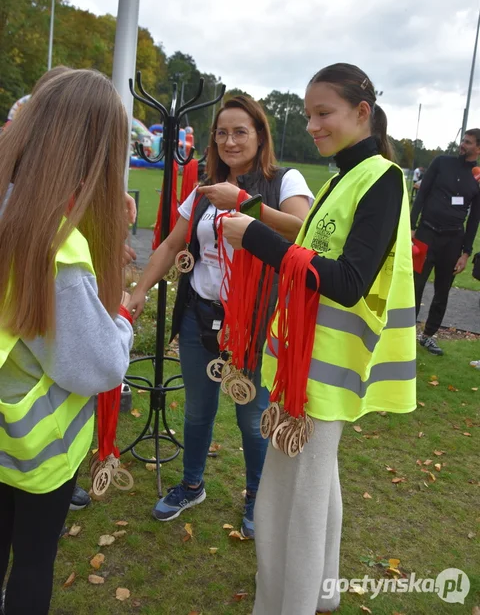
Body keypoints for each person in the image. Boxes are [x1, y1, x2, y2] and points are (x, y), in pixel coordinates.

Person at [222, 63, 416, 614]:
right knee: (315, 488)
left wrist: (256, 237)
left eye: (323, 113)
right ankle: (321, 593)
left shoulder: (382, 179)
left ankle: (289, 605)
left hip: (324, 373)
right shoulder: (337, 179)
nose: (312, 125)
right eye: (308, 114)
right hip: (303, 365)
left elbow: (348, 283)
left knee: (292, 504)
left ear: (362, 112)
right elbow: (313, 258)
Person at [128, 95, 313, 538]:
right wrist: (137, 292)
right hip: (200, 317)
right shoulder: (205, 188)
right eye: (222, 132)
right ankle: (192, 484)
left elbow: (303, 229)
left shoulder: (285, 180)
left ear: (260, 135)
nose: (230, 141)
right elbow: (173, 245)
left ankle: (257, 497)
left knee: (252, 416)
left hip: (255, 322)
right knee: (197, 412)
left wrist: (245, 201)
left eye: (240, 131)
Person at [0, 69, 134, 615]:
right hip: (33, 448)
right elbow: (98, 366)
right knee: (32, 561)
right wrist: (122, 316)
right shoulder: (57, 248)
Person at [411, 129, 480, 355]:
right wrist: (412, 225)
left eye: (468, 143)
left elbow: (474, 218)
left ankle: (428, 335)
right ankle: (405, 333)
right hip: (425, 235)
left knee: (443, 291)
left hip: (452, 241)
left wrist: (466, 252)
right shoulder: (441, 162)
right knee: (415, 286)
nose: (462, 145)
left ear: (478, 149)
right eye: (463, 140)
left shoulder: (478, 176)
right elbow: (422, 195)